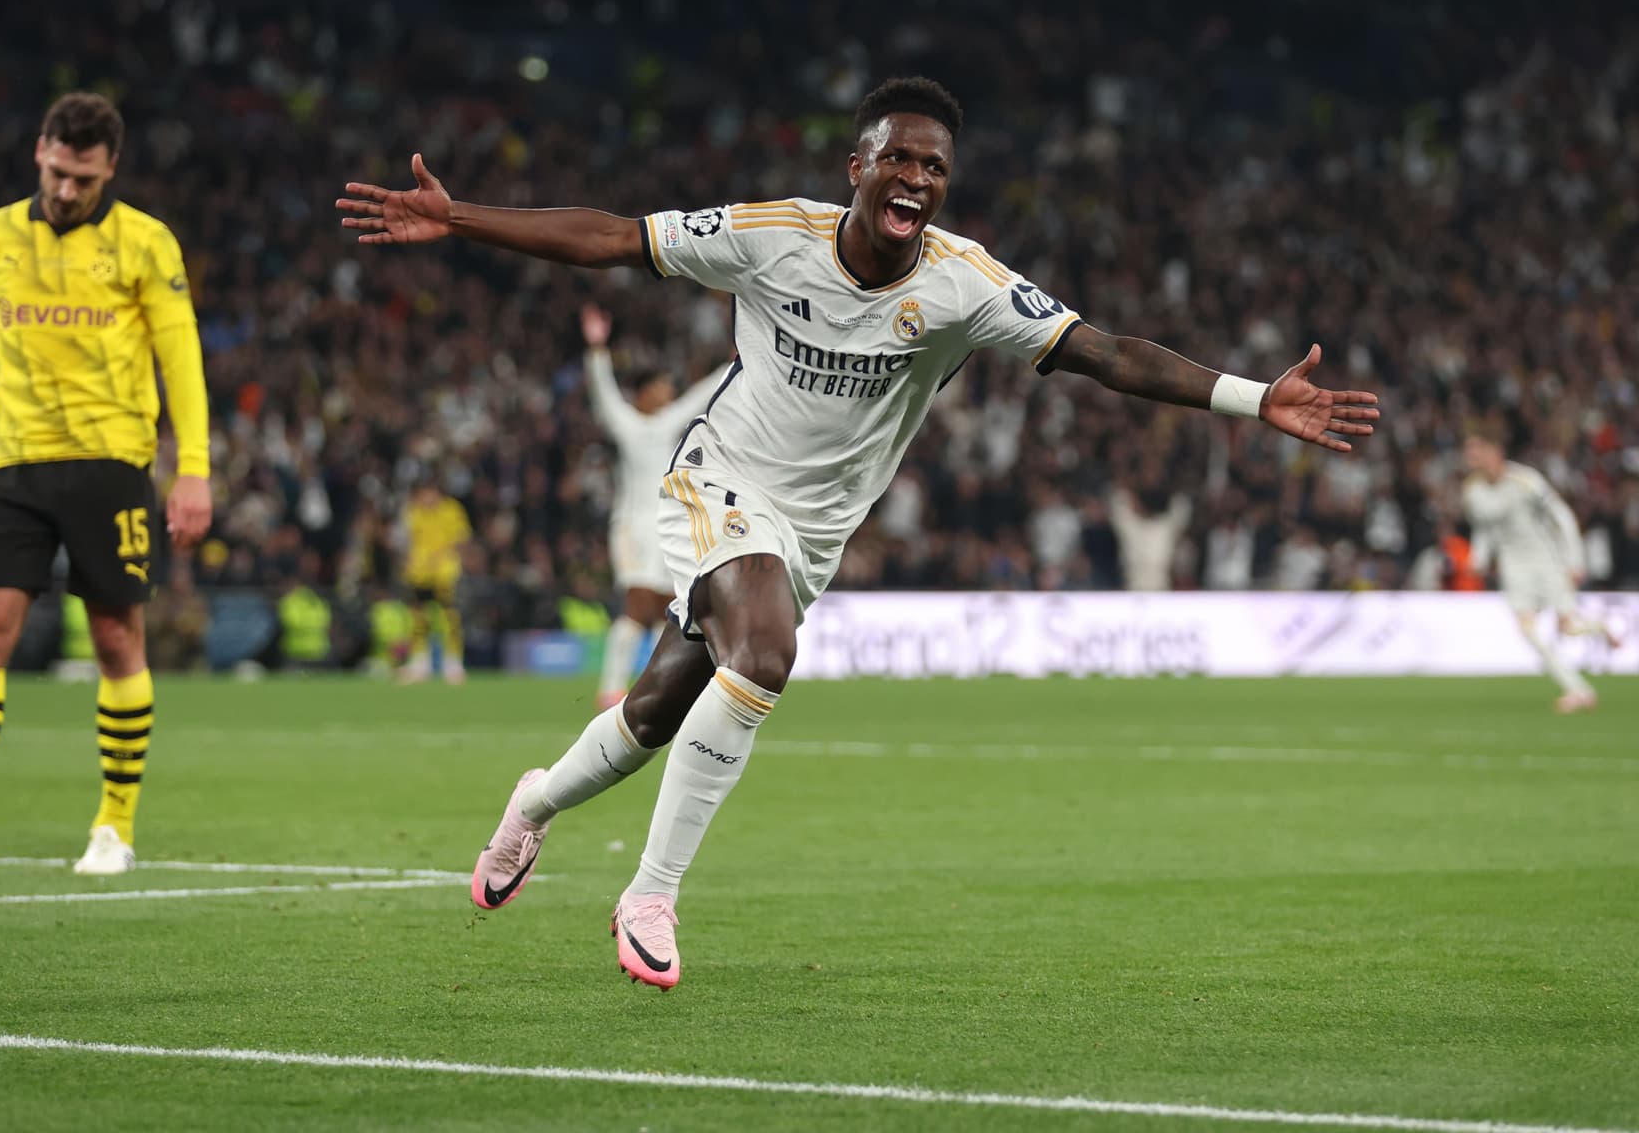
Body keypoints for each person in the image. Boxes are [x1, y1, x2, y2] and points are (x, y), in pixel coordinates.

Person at [337, 76, 1379, 988]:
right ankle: (651, 894)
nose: (918, 179)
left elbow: (1104, 352)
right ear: (859, 166)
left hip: (815, 537)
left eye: (935, 165)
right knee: (765, 652)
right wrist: (461, 219)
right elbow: (615, 238)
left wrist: (1253, 399)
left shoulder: (964, 284)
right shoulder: (769, 236)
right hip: (720, 483)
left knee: (656, 710)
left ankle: (536, 801)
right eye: (900, 158)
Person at [0, 92, 212, 878]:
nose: (68, 191)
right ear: (40, 151)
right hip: (14, 462)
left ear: (111, 170)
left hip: (112, 463)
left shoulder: (146, 242)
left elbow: (181, 358)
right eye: (60, 172)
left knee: (114, 641)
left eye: (86, 179)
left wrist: (193, 468)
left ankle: (113, 828)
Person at [581, 301, 730, 708]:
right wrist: (597, 350)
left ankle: (658, 686)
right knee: (637, 603)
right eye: (661, 386)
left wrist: (736, 363)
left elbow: (702, 396)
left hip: (670, 526)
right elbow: (603, 392)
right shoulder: (628, 424)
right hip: (632, 527)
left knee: (668, 609)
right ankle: (611, 689)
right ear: (644, 393)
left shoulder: (669, 423)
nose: (668, 392)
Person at [1461, 434, 1619, 712]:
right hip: (1513, 566)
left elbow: (1562, 515)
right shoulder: (1474, 492)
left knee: (1568, 628)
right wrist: (1479, 558)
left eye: (1477, 451)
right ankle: (1578, 690)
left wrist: (1575, 560)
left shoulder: (1525, 480)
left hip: (1546, 559)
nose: (1471, 458)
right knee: (1527, 629)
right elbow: (1484, 529)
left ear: (1495, 451)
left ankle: (1601, 626)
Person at [398, 477, 471, 684]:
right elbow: (407, 542)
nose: (426, 497)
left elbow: (460, 540)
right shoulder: (413, 511)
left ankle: (453, 664)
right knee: (418, 618)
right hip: (419, 573)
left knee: (449, 618)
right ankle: (420, 664)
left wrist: (440, 559)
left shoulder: (451, 510)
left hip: (444, 572)